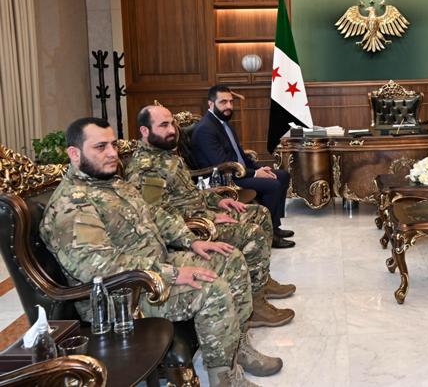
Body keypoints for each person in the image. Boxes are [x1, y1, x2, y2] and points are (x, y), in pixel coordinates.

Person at [40, 117, 282, 386]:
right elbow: (100, 267)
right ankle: (223, 378)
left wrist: (191, 241)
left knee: (230, 258)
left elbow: (154, 213)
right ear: (74, 154)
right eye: (100, 147)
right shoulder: (71, 206)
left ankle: (235, 348)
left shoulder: (111, 183)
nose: (112, 153)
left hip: (156, 265)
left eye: (113, 145)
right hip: (123, 296)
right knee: (211, 289)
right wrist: (172, 273)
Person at [125, 104, 296, 326]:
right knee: (251, 233)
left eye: (172, 124)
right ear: (144, 131)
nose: (172, 130)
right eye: (163, 125)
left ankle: (261, 282)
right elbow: (155, 214)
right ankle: (255, 307)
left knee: (260, 213)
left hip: (200, 212)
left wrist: (218, 201)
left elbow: (189, 194)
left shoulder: (166, 156)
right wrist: (209, 217)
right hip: (189, 227)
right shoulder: (146, 168)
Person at [192, 85, 294, 248]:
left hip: (237, 171)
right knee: (272, 184)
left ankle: (274, 225)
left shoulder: (223, 123)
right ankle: (270, 235)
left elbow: (239, 155)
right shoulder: (206, 129)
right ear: (210, 104)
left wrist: (258, 169)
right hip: (222, 178)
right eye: (223, 102)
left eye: (231, 102)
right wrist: (254, 174)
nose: (229, 106)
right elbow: (222, 163)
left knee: (282, 175)